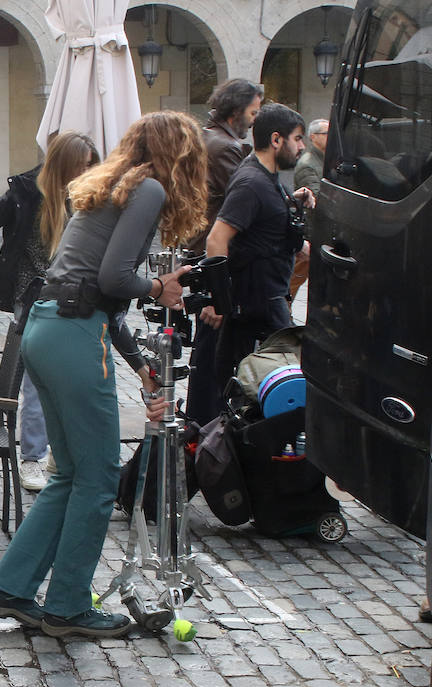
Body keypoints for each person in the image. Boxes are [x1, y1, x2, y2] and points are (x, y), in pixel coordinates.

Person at [0, 111, 206, 639]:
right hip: (76, 336)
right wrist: (160, 289)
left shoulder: (115, 186)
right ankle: (69, 606)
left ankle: (9, 589)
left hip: (49, 327)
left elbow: (94, 288)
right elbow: (114, 278)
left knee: (70, 474)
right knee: (98, 475)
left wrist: (142, 364)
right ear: (181, 155)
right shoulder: (147, 188)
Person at [0, 131, 102, 491]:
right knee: (36, 379)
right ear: (63, 164)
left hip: (76, 298)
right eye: (81, 166)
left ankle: (65, 455)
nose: (87, 171)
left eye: (91, 165)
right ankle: (31, 458)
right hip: (34, 296)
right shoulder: (28, 193)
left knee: (75, 377)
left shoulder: (88, 196)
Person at [208, 103, 316, 392]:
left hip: (267, 299)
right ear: (276, 140)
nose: (301, 146)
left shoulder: (264, 177)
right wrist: (219, 300)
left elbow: (262, 218)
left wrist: (292, 200)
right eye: (297, 138)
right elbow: (216, 239)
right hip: (258, 305)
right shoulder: (251, 182)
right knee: (279, 388)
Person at [185, 79, 264, 427]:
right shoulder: (225, 147)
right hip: (214, 252)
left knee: (210, 351)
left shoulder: (209, 137)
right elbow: (247, 200)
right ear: (236, 110)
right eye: (252, 112)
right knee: (214, 351)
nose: (253, 120)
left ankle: (203, 422)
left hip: (200, 246)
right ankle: (209, 428)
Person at [293, 118, 328, 196]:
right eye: (326, 133)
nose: (331, 136)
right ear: (313, 137)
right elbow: (315, 197)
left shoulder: (327, 159)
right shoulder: (307, 164)